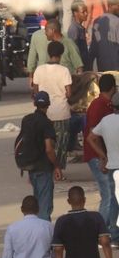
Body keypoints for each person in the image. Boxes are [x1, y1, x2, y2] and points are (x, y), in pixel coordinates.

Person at [18, 92, 64, 221]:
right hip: (43, 168)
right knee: (44, 207)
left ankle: (35, 232)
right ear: (48, 105)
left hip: (31, 167)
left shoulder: (27, 120)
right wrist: (56, 166)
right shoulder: (46, 123)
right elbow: (49, 148)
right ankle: (43, 235)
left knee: (36, 206)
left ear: (34, 103)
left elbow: (27, 143)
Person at [86, 74, 119, 243]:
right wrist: (102, 157)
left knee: (110, 195)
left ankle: (106, 230)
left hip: (105, 156)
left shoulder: (105, 105)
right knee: (108, 195)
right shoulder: (98, 106)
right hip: (98, 156)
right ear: (113, 88)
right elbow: (93, 136)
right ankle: (102, 232)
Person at [33, 41, 76, 169]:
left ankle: (46, 167)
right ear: (61, 54)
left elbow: (36, 91)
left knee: (44, 143)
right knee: (61, 144)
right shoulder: (64, 71)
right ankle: (59, 170)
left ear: (48, 53)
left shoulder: (39, 69)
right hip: (61, 112)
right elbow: (68, 93)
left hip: (44, 113)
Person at [89, 0, 119, 71]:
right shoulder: (117, 22)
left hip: (102, 69)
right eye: (118, 5)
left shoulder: (97, 21)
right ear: (110, 5)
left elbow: (93, 49)